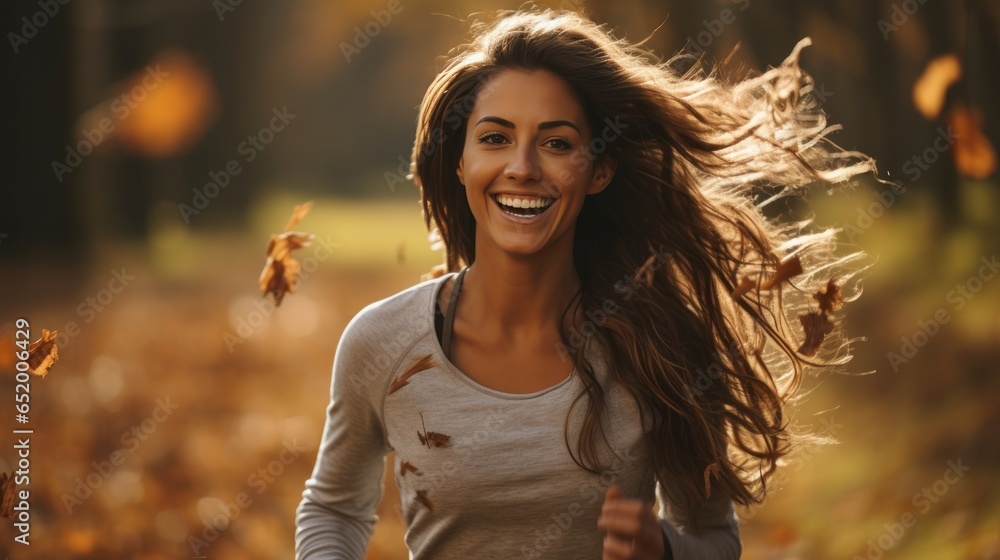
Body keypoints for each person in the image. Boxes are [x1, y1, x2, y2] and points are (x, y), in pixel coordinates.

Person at [296, 7, 877, 559]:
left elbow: (714, 539)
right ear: (460, 161)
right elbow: (334, 508)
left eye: (556, 143)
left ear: (598, 169)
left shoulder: (660, 343)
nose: (522, 166)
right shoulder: (382, 342)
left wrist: (665, 548)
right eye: (495, 138)